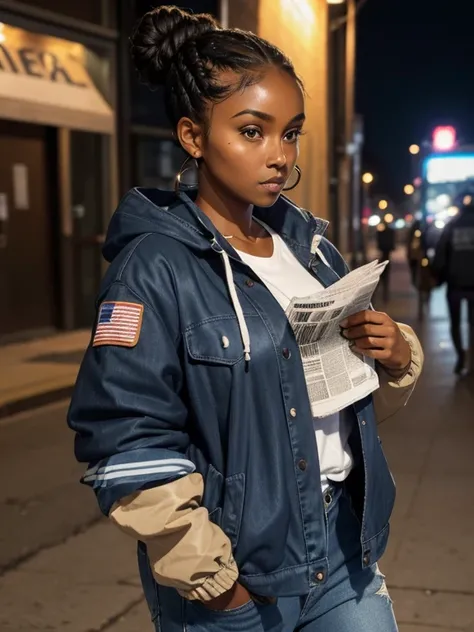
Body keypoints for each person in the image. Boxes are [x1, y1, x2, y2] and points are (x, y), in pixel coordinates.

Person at [67, 6, 424, 631]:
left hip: (343, 552)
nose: (278, 155)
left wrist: (393, 355)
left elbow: (337, 406)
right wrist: (215, 585)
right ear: (193, 136)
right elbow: (125, 439)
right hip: (238, 578)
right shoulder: (154, 267)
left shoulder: (312, 251)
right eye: (253, 131)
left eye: (290, 133)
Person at [433, 193, 474, 374]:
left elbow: (440, 256)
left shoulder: (452, 226)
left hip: (455, 284)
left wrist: (440, 277)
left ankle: (460, 357)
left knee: (455, 323)